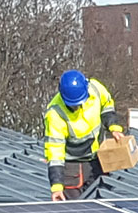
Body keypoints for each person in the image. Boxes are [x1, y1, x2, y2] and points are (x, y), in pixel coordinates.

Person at [41, 68, 124, 199]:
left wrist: (113, 126)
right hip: (72, 167)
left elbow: (107, 105)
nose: (78, 107)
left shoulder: (95, 89)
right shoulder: (55, 114)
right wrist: (56, 186)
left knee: (103, 202)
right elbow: (55, 151)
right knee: (75, 210)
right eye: (73, 105)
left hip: (97, 160)